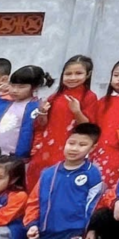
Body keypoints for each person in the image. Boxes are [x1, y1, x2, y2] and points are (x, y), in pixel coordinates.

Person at [11, 121, 104, 239]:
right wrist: (32, 225)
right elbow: (34, 202)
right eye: (71, 143)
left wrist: (91, 229)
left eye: (82, 145)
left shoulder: (92, 173)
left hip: (73, 231)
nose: (74, 148)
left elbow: (95, 204)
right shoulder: (48, 174)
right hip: (46, 231)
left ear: (92, 148)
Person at [28, 55, 99, 183]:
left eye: (78, 73)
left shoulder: (89, 97)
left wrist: (77, 112)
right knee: (39, 178)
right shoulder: (55, 96)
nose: (72, 78)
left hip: (70, 146)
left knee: (61, 179)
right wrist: (42, 113)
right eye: (68, 74)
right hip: (47, 146)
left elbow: (87, 128)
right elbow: (42, 124)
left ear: (88, 75)